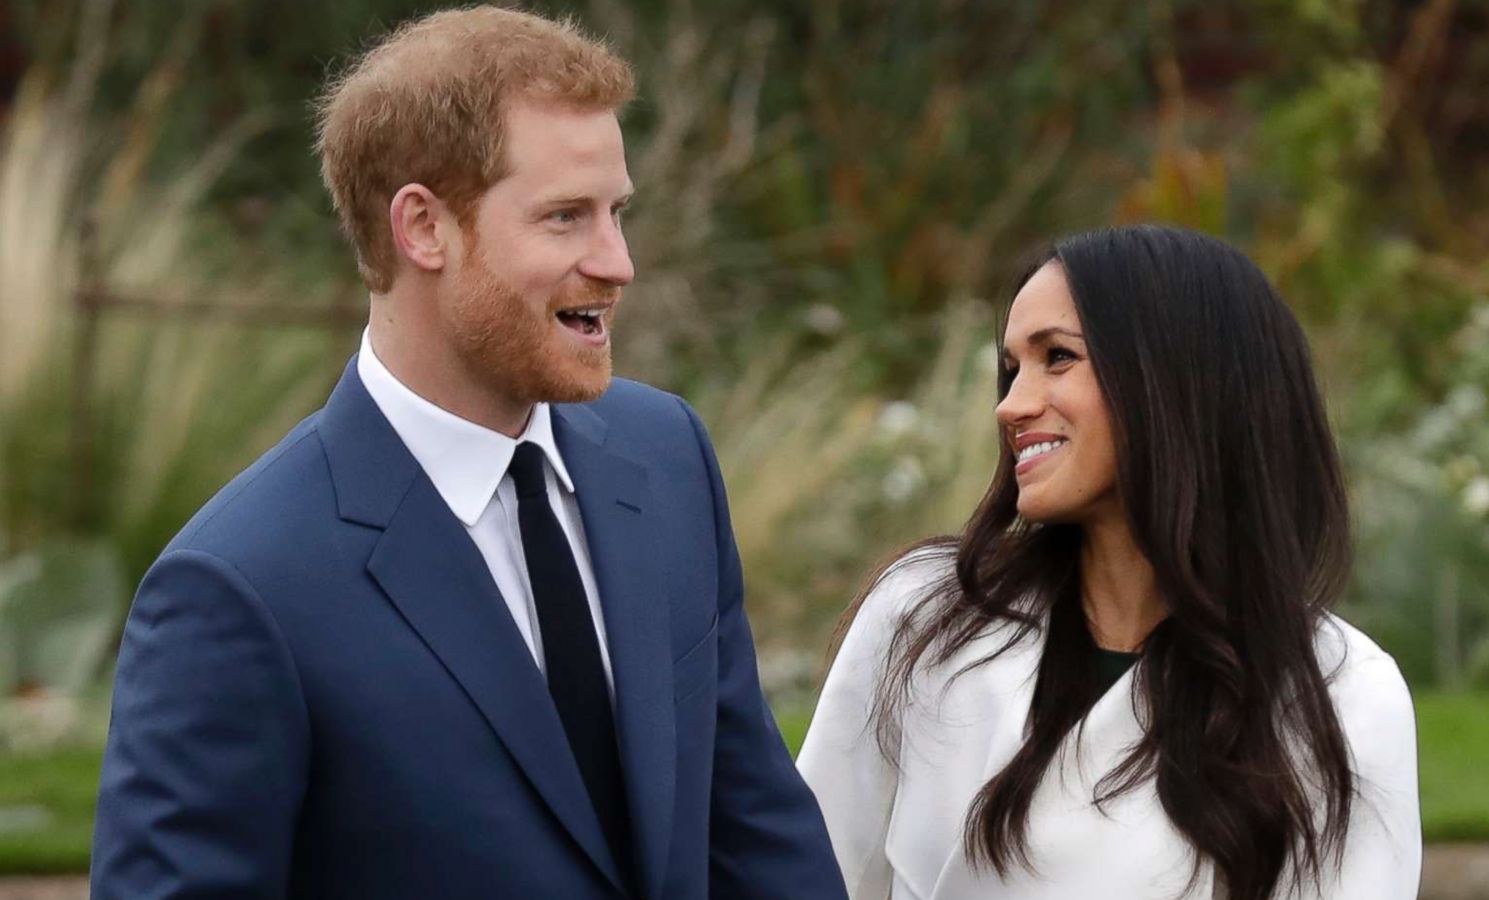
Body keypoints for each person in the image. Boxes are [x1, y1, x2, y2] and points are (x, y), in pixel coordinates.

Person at [90, 8, 846, 899]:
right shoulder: (239, 589)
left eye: (616, 212)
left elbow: (754, 835)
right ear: (423, 228)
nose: (618, 262)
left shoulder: (668, 459)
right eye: (566, 217)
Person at [798, 225, 1421, 900]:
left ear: (1178, 380)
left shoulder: (1340, 693)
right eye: (1011, 369)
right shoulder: (926, 617)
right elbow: (804, 872)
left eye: (1057, 358)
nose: (1012, 405)